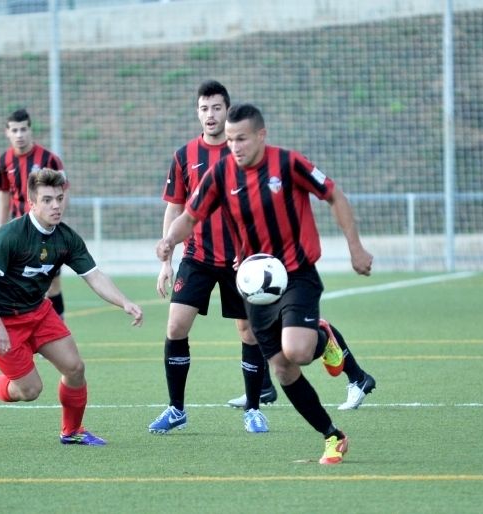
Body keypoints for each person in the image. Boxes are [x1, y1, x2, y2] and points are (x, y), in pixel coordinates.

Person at [156, 103, 376, 464]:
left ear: (261, 135)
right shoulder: (221, 173)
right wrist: (169, 240)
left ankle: (322, 337)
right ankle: (332, 436)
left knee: (298, 351)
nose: (235, 147)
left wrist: (356, 248)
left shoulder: (288, 163)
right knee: (283, 368)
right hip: (253, 282)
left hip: (296, 274)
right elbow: (190, 216)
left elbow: (333, 195)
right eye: (230, 140)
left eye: (242, 139)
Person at [0, 167, 144, 446]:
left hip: (37, 311)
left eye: (60, 199)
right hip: (0, 318)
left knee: (74, 368)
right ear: (32, 203)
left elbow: (94, 276)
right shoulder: (12, 234)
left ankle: (72, 431)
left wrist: (125, 302)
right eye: (47, 200)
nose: (56, 206)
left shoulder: (66, 238)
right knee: (29, 390)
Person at [149, 80, 277, 436]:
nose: (210, 115)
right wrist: (166, 260)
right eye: (204, 108)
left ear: (227, 111)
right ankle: (176, 409)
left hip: (241, 261)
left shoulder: (244, 154)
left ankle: (253, 410)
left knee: (248, 332)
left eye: (217, 108)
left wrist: (258, 252)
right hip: (197, 256)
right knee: (176, 326)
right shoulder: (184, 156)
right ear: (197, 113)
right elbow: (175, 208)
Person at [0, 108, 67, 318]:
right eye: (14, 130)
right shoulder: (3, 161)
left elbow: (63, 192)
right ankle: (16, 329)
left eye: (23, 129)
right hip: (19, 232)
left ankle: (59, 328)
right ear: (7, 132)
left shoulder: (49, 159)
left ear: (30, 130)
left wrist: (55, 222)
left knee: (51, 283)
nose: (19, 135)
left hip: (45, 232)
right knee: (15, 282)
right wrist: (1, 227)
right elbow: (4, 193)